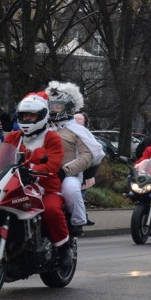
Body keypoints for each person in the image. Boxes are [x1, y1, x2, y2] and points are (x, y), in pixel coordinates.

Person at [2, 92, 73, 266]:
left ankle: (64, 249)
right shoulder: (14, 137)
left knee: (51, 211)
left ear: (41, 116)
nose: (27, 118)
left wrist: (32, 170)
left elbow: (53, 164)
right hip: (17, 187)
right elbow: (1, 157)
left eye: (31, 115)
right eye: (24, 115)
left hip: (45, 187)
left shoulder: (52, 138)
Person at [46, 81, 105, 236]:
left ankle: (77, 221)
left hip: (68, 174)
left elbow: (88, 156)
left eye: (58, 107)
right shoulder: (43, 128)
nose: (54, 110)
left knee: (71, 190)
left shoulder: (77, 130)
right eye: (52, 106)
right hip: (43, 173)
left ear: (68, 108)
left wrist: (66, 171)